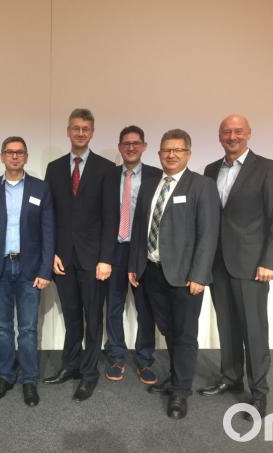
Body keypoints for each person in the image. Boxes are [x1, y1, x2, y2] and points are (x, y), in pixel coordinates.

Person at [197, 114, 273, 419]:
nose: (232, 136)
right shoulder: (211, 170)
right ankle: (231, 377)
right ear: (219, 136)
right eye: (226, 132)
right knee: (227, 324)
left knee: (253, 329)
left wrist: (270, 261)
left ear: (249, 134)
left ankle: (259, 392)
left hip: (252, 265)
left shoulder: (268, 169)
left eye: (238, 131)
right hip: (218, 263)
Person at [127, 128, 221, 419]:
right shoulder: (151, 184)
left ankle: (181, 391)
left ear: (188, 154)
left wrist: (200, 274)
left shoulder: (201, 186)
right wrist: (134, 265)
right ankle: (177, 376)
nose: (171, 154)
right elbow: (140, 230)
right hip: (153, 273)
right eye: (166, 150)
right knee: (168, 330)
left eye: (178, 150)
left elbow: (208, 234)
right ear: (158, 154)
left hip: (185, 277)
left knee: (185, 334)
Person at [43, 108, 118, 402]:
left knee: (92, 318)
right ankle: (70, 365)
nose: (80, 133)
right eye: (76, 128)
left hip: (94, 260)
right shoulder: (54, 168)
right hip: (64, 259)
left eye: (86, 128)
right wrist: (51, 254)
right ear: (68, 131)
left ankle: (89, 374)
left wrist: (106, 259)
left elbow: (111, 217)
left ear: (92, 132)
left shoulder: (106, 169)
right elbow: (49, 217)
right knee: (72, 316)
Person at [0, 137, 55, 407]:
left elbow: (48, 231)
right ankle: (7, 376)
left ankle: (29, 379)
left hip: (29, 268)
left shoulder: (40, 188)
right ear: (1, 157)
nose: (14, 156)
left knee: (29, 328)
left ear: (26, 156)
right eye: (9, 152)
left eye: (19, 152)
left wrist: (46, 269)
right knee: (2, 328)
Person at [102, 126, 161, 384]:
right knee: (113, 305)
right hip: (114, 250)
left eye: (136, 143)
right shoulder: (108, 176)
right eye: (126, 143)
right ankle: (116, 355)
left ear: (144, 146)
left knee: (144, 308)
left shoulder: (157, 176)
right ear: (119, 146)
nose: (131, 147)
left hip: (143, 251)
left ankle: (144, 358)